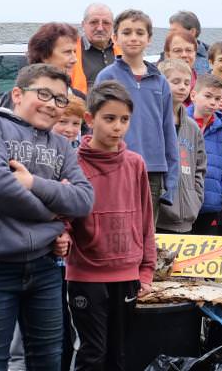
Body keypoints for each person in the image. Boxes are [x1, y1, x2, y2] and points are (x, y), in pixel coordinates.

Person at [0, 64, 94, 369]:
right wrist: (52, 216)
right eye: (43, 93)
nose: (51, 104)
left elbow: (84, 199)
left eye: (60, 100)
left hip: (44, 266)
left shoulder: (61, 144)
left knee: (47, 361)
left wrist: (33, 183)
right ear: (18, 94)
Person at [66, 81, 155, 370]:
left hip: (127, 277)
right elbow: (63, 216)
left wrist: (145, 271)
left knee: (119, 354)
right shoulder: (73, 164)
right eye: (109, 118)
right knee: (92, 353)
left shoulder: (135, 164)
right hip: (85, 276)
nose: (117, 126)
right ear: (90, 119)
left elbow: (145, 220)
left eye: (124, 119)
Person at [95, 9, 179, 223]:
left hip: (151, 171)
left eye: (140, 33)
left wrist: (171, 177)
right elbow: (96, 127)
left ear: (149, 39)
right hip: (114, 167)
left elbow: (168, 130)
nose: (133, 38)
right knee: (115, 229)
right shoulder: (107, 77)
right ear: (115, 38)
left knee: (146, 235)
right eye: (127, 32)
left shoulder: (160, 82)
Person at [157, 59, 206, 234]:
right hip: (158, 219)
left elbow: (200, 168)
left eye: (186, 83)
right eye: (175, 82)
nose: (182, 87)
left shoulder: (193, 128)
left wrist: (196, 198)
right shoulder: (152, 123)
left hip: (187, 219)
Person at [189, 74, 222, 235]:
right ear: (194, 95)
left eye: (217, 99)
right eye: (208, 96)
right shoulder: (179, 122)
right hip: (181, 204)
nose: (213, 102)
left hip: (211, 204)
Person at [0, 22, 87, 109]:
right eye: (67, 52)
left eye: (75, 52)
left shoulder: (79, 98)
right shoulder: (17, 97)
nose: (75, 59)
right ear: (45, 56)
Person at [74, 3, 122, 93]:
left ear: (113, 26)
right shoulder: (70, 52)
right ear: (83, 24)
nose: (100, 28)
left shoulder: (124, 52)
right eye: (93, 22)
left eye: (106, 23)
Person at [163, 30, 200, 99]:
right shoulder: (156, 85)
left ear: (195, 53)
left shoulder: (203, 86)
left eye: (189, 50)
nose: (184, 55)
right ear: (167, 55)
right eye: (177, 50)